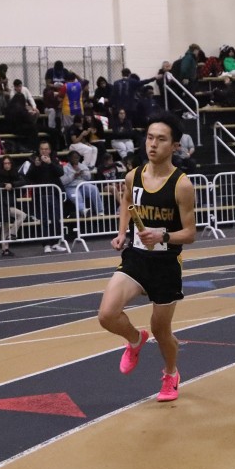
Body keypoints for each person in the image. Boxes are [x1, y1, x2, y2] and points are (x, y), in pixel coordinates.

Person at [97, 112, 196, 402]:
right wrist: (121, 232)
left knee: (161, 331)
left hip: (166, 264)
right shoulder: (134, 176)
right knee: (106, 314)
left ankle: (171, 373)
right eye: (150, 138)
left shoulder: (181, 185)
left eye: (161, 139)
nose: (152, 144)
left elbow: (190, 233)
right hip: (137, 258)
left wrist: (163, 236)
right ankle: (134, 339)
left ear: (174, 146)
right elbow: (127, 201)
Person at [25, 139, 67, 253]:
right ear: (39, 150)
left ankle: (56, 242)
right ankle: (46, 244)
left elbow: (60, 173)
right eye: (42, 149)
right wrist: (35, 166)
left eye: (46, 149)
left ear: (50, 150)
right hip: (40, 195)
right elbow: (28, 177)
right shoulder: (34, 160)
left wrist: (50, 163)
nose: (44, 151)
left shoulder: (54, 160)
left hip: (53, 194)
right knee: (43, 220)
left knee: (56, 219)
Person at [0, 155, 27, 256]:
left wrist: (12, 184)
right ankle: (6, 247)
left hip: (9, 203)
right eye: (5, 163)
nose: (7, 165)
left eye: (9, 163)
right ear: (2, 165)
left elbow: (24, 181)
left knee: (21, 216)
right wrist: (4, 185)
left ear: (11, 164)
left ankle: (11, 235)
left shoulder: (14, 173)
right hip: (0, 203)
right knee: (6, 224)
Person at [61, 150, 103, 216]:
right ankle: (83, 210)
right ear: (69, 158)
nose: (76, 159)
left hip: (83, 185)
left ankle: (100, 211)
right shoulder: (65, 167)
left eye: (77, 157)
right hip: (70, 187)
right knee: (77, 196)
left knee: (94, 188)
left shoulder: (82, 166)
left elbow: (88, 177)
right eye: (74, 157)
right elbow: (63, 181)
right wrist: (73, 176)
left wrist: (82, 173)